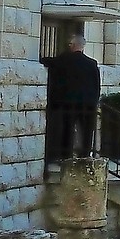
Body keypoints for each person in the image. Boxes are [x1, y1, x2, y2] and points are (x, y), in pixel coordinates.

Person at [40, 33, 101, 162]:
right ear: (83, 47)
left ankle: (65, 158)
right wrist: (95, 101)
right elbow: (97, 84)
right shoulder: (92, 63)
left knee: (67, 130)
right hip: (88, 104)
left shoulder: (64, 59)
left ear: (72, 45)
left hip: (69, 103)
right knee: (87, 131)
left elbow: (47, 61)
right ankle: (85, 156)